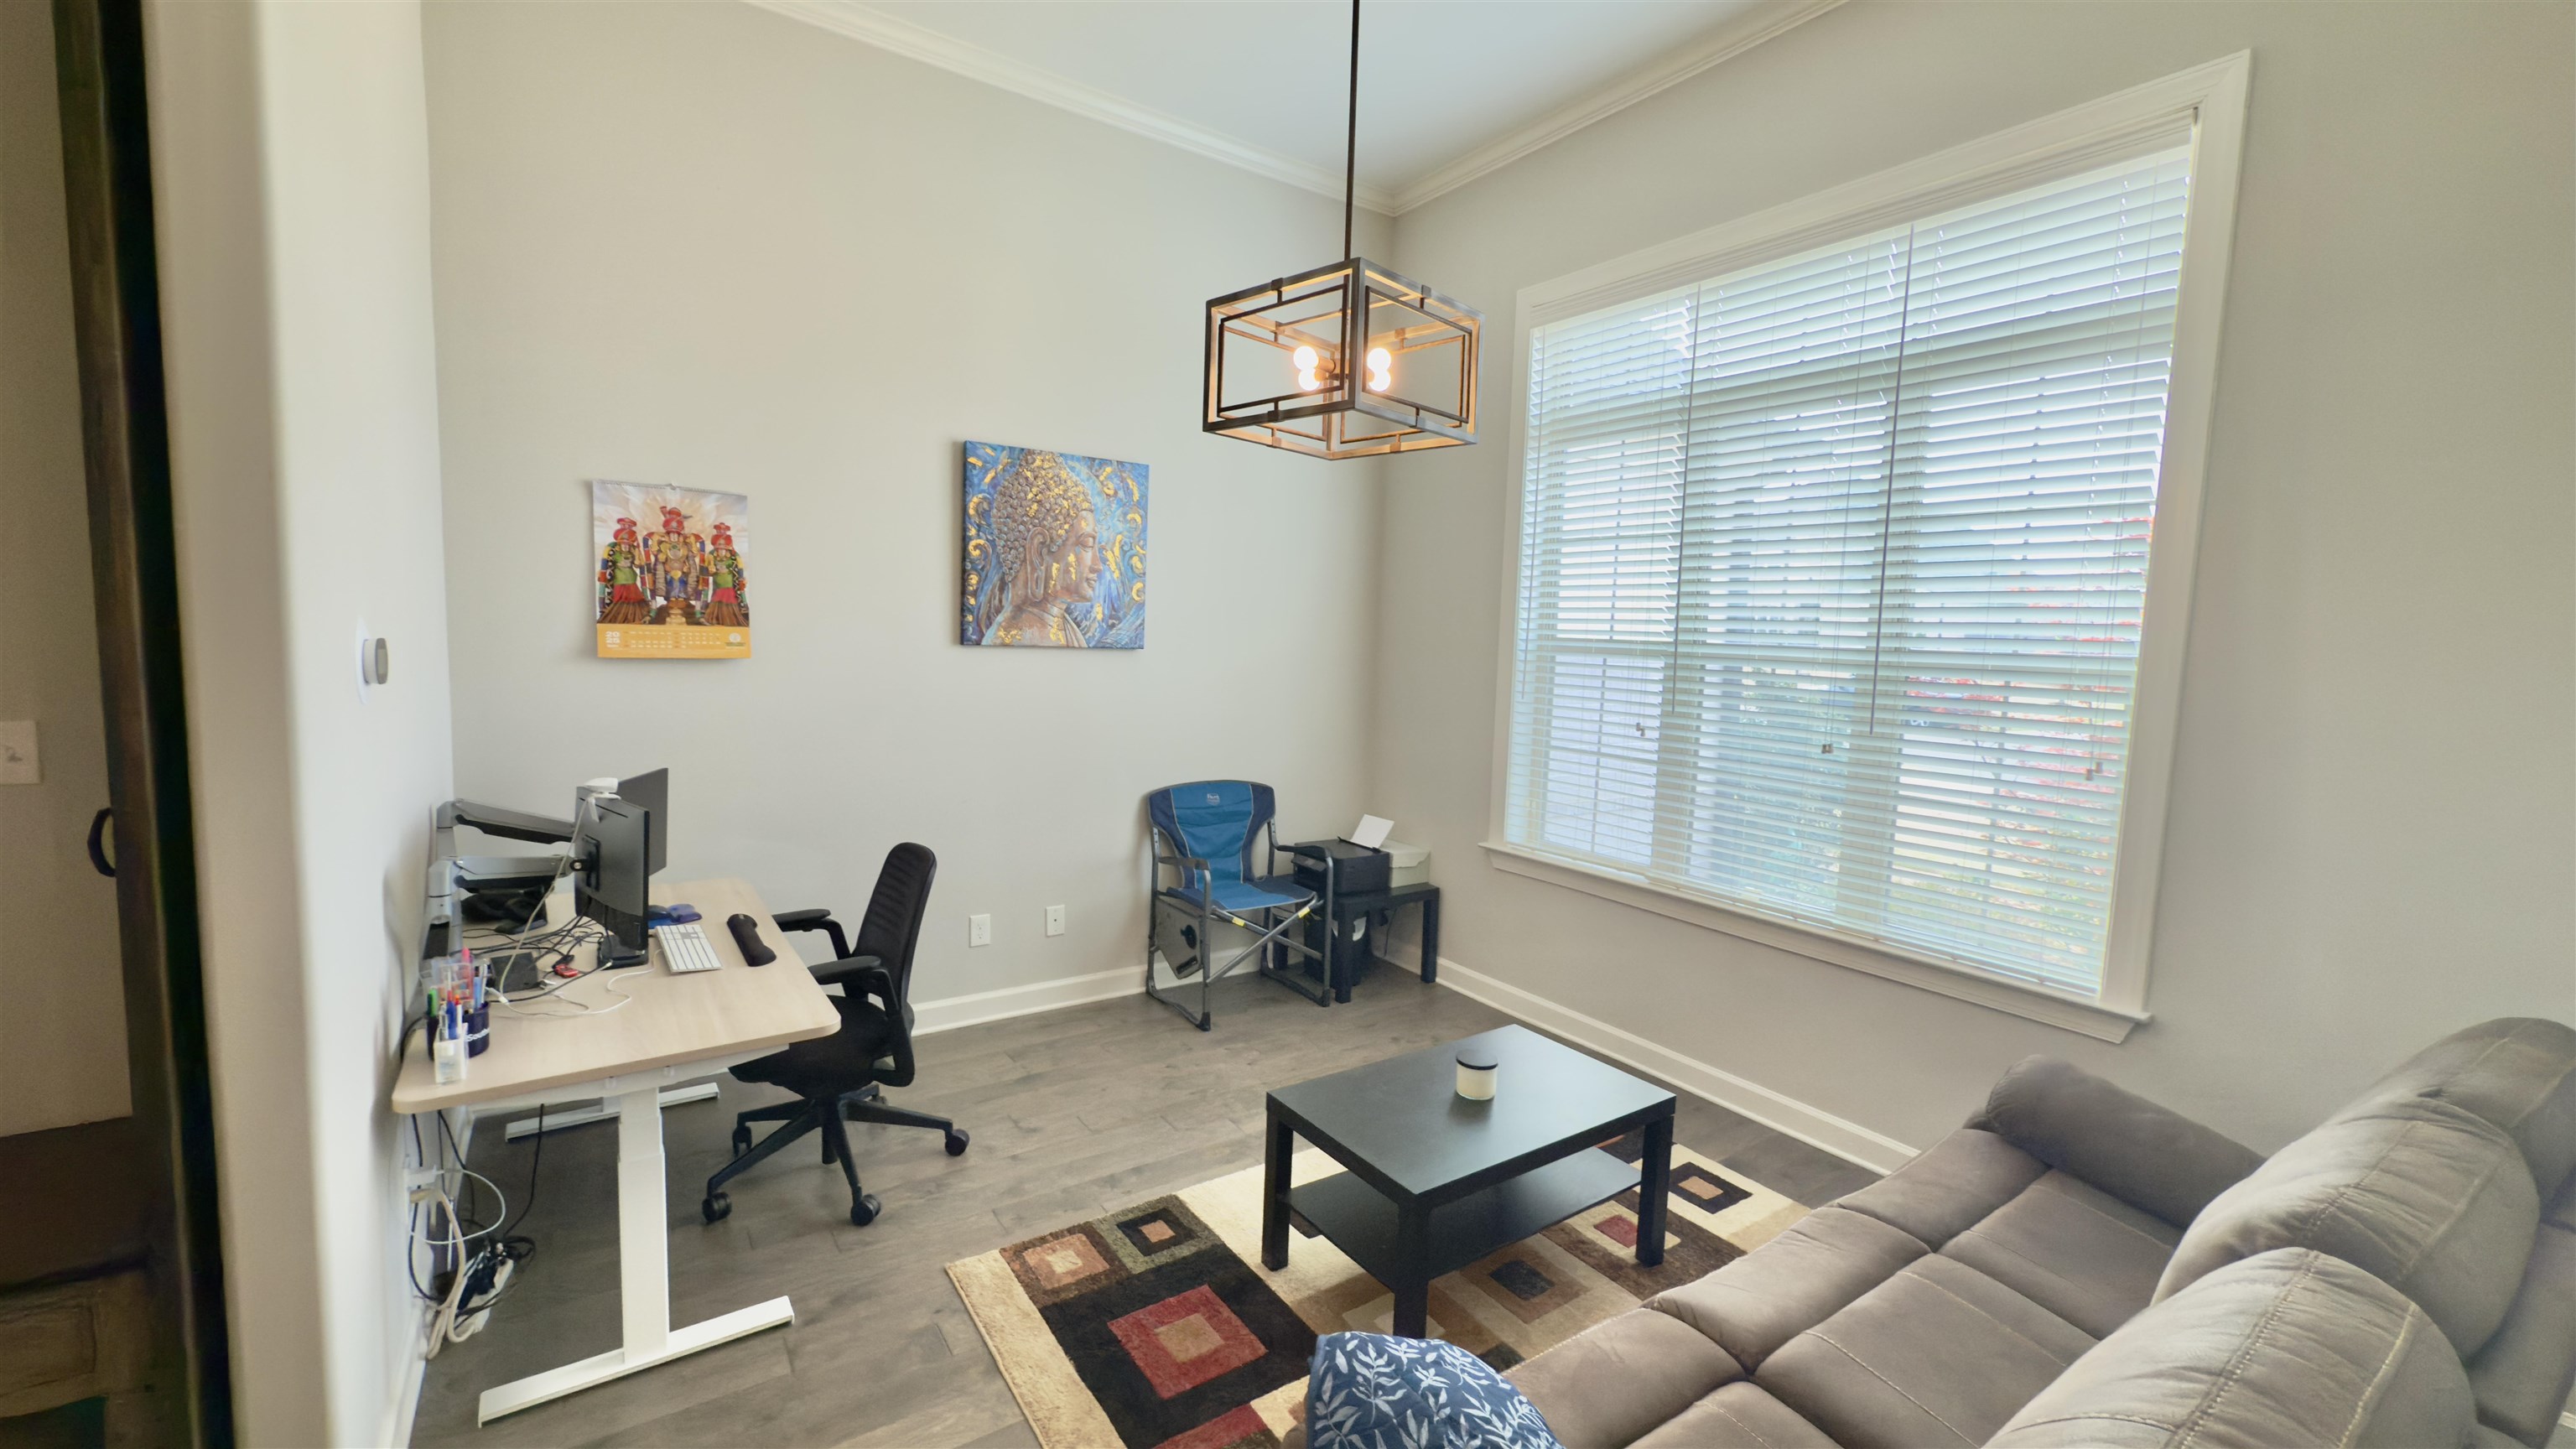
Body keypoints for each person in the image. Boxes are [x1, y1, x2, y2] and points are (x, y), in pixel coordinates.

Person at [976, 451, 1100, 647]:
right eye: (1086, 544)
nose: (1097, 565)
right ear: (1039, 550)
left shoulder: (1065, 628)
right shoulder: (1008, 639)